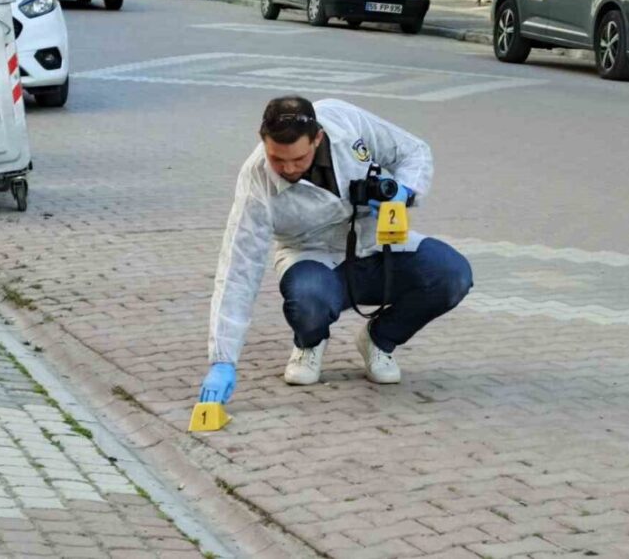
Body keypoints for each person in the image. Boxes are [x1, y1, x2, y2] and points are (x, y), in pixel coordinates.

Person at [198, 97, 474, 404]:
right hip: (311, 256)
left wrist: (404, 192)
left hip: (375, 245)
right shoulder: (256, 180)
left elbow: (414, 151)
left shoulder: (344, 122)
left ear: (317, 137)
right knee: (308, 299)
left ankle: (379, 340)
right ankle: (309, 343)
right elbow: (238, 268)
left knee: (452, 275)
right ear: (263, 142)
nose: (288, 169)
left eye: (298, 159)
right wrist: (223, 360)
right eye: (278, 159)